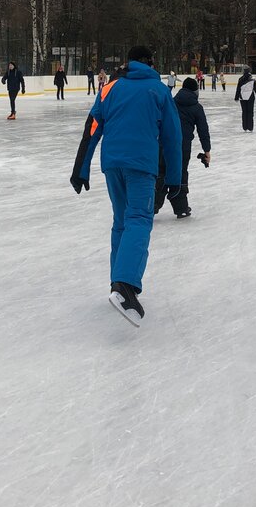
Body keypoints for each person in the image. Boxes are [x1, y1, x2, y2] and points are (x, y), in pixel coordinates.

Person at [70, 45, 182, 327]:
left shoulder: (110, 88)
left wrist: (80, 169)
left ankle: (116, 284)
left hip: (112, 165)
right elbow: (172, 138)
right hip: (141, 166)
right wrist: (174, 178)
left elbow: (92, 127)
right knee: (139, 220)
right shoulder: (159, 91)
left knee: (121, 222)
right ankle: (124, 286)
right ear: (150, 62)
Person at [155, 77, 211, 218]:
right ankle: (181, 208)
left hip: (165, 143)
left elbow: (158, 121)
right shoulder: (197, 108)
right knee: (180, 173)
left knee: (161, 172)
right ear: (195, 91)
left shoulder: (171, 102)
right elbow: (203, 130)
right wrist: (207, 150)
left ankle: (152, 205)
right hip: (182, 147)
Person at [235, 66, 256, 131]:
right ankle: (250, 127)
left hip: (242, 97)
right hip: (250, 97)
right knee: (250, 112)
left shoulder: (240, 79)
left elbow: (238, 89)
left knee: (244, 112)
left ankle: (245, 127)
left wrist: (236, 97)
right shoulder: (253, 79)